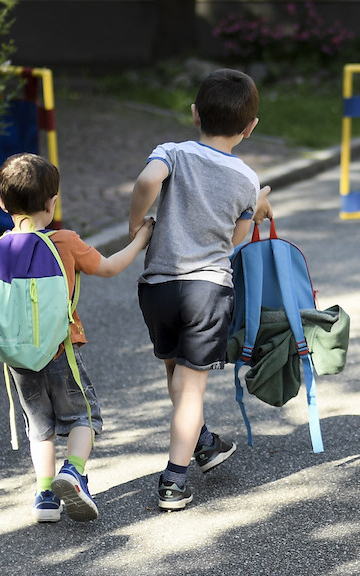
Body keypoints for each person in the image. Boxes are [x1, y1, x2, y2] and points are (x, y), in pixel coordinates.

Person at [128, 68, 273, 511]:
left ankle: (205, 442)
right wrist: (258, 204)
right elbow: (238, 240)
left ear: (194, 115)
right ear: (250, 128)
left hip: (158, 288)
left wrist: (137, 226)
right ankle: (173, 479)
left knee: (176, 376)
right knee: (192, 388)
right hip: (206, 290)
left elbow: (147, 182)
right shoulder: (247, 180)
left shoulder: (172, 152)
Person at [0, 153, 155, 523]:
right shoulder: (64, 241)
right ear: (52, 204)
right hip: (60, 350)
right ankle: (75, 471)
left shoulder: (0, 248)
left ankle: (45, 497)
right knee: (84, 416)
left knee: (40, 427)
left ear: (2, 204)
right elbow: (111, 267)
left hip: (18, 357)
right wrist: (142, 238)